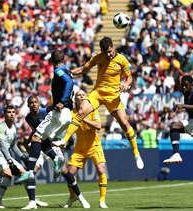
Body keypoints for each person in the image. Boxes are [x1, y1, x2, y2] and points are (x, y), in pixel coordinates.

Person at [53, 37, 144, 170]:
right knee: (81, 111)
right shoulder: (98, 58)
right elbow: (84, 69)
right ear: (101, 50)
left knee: (124, 123)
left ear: (113, 47)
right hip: (98, 92)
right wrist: (67, 73)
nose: (108, 54)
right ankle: (65, 140)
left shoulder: (122, 60)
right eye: (105, 52)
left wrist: (126, 83)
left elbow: (129, 76)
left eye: (110, 51)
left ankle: (136, 153)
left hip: (112, 96)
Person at [14, 49, 74, 184]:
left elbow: (69, 83)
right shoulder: (67, 70)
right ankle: (56, 159)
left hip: (60, 112)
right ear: (63, 59)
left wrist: (61, 101)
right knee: (43, 140)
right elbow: (70, 78)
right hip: (66, 115)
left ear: (51, 61)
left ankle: (30, 172)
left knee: (36, 137)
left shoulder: (58, 71)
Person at [24, 95, 90, 209]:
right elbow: (36, 131)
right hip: (40, 145)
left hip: (51, 144)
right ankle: (32, 201)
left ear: (39, 103)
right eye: (31, 102)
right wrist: (28, 142)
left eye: (36, 102)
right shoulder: (28, 118)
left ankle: (79, 196)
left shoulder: (45, 113)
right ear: (28, 105)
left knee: (65, 171)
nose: (34, 104)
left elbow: (53, 111)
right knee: (30, 172)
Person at [63, 90, 108, 209]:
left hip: (94, 146)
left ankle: (102, 200)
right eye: (79, 95)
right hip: (80, 148)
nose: (82, 96)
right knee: (69, 173)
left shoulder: (92, 109)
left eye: (84, 95)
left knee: (100, 169)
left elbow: (98, 126)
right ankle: (73, 196)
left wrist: (82, 118)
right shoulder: (71, 113)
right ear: (75, 99)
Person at [0, 105, 34, 209]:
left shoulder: (13, 128)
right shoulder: (1, 127)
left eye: (13, 112)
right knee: (8, 175)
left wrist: (23, 158)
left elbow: (12, 145)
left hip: (5, 156)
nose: (12, 114)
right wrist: (10, 161)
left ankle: (32, 200)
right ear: (4, 114)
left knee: (26, 174)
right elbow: (4, 147)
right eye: (9, 112)